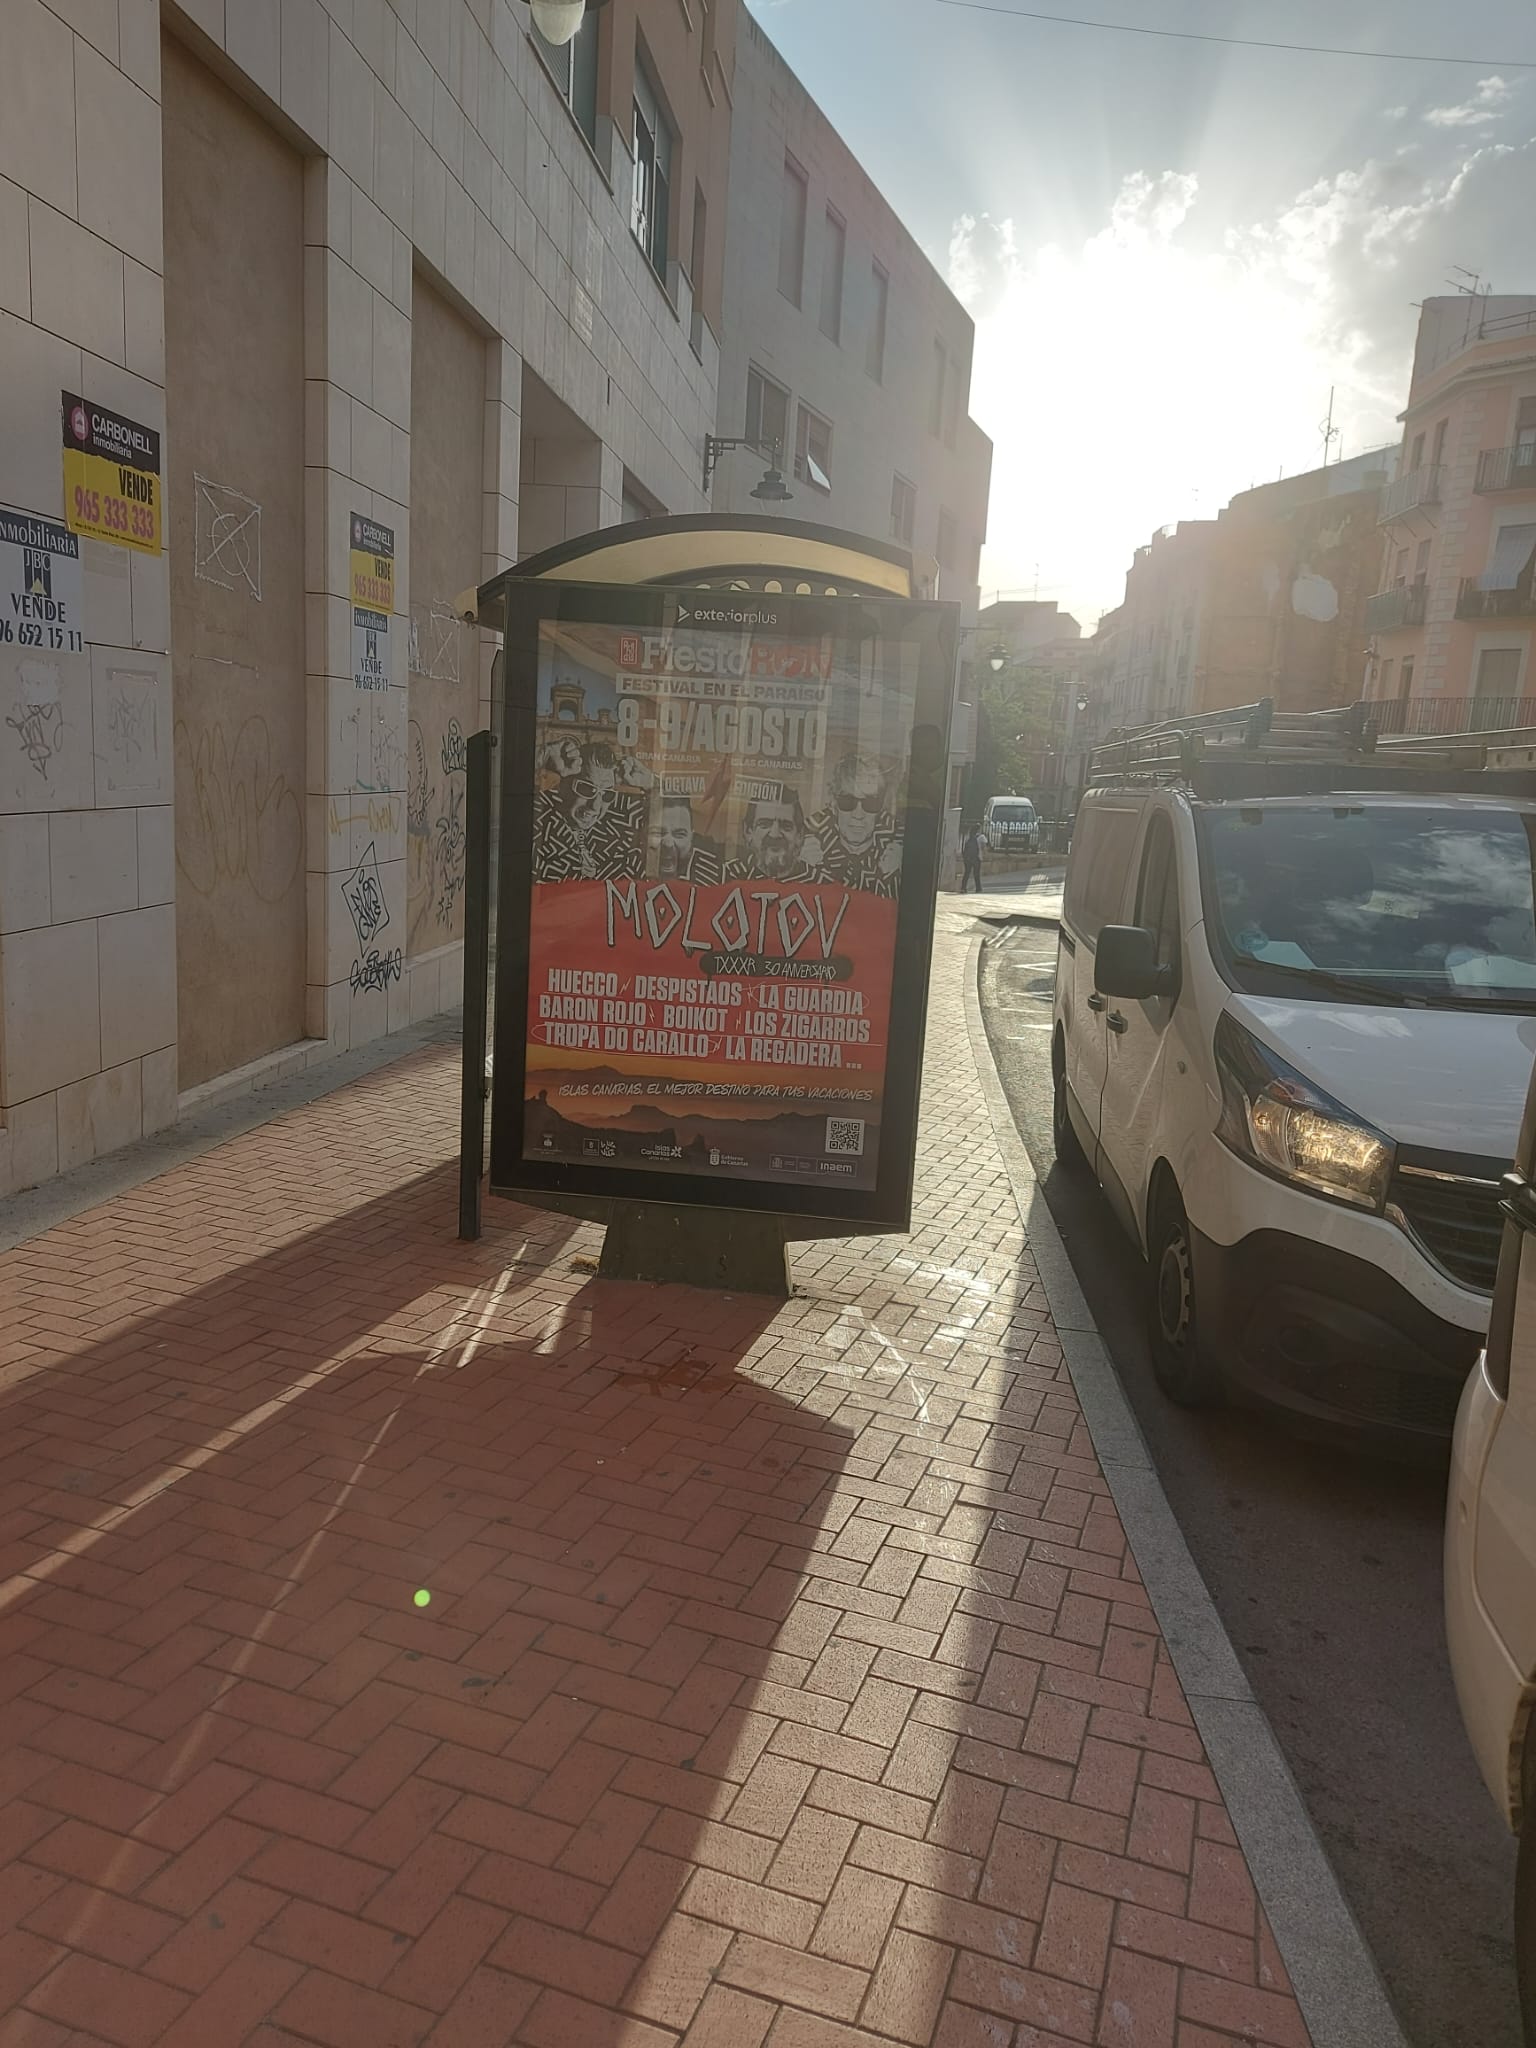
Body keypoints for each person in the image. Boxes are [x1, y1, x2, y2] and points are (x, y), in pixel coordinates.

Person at [533, 737, 648, 882]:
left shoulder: (622, 829)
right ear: (564, 785)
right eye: (586, 788)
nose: (595, 807)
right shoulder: (537, 821)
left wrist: (652, 782)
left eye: (606, 794)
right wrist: (541, 756)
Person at [807, 753, 902, 897]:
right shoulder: (807, 836)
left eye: (871, 803)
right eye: (847, 801)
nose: (858, 814)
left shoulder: (898, 840)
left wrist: (896, 872)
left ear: (881, 807)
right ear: (834, 803)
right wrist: (803, 867)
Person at [725, 787, 820, 882]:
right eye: (764, 825)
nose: (774, 835)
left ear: (799, 835)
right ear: (748, 831)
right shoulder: (727, 876)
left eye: (786, 826)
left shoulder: (818, 882)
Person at [646, 792, 723, 884]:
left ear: (691, 839)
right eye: (658, 833)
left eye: (679, 834)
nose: (668, 844)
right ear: (643, 835)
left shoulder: (710, 880)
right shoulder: (631, 874)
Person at [962, 821, 984, 893]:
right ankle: (978, 888)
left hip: (968, 858)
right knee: (976, 874)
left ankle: (963, 888)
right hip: (976, 858)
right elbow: (984, 847)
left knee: (967, 873)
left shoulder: (968, 837)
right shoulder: (981, 837)